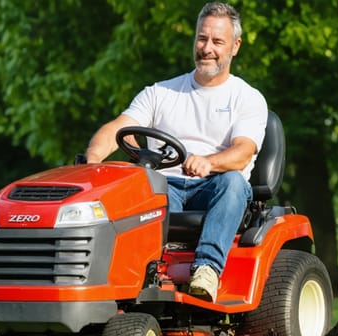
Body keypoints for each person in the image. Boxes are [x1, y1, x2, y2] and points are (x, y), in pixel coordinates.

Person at [84, 2, 268, 303]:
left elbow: (243, 152)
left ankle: (207, 269)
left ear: (235, 47)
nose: (207, 48)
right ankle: (128, 275)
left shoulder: (247, 98)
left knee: (233, 181)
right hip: (165, 186)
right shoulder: (160, 93)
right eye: (202, 38)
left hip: (216, 187)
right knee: (131, 187)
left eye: (217, 41)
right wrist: (92, 162)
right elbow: (117, 129)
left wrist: (209, 162)